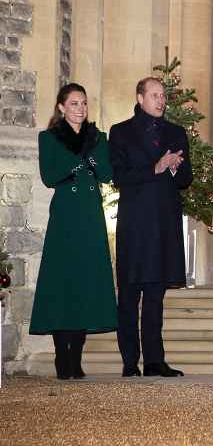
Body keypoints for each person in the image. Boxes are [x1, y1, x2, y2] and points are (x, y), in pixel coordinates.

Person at [29, 83, 118, 380]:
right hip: (65, 217)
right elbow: (49, 175)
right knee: (62, 285)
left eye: (84, 103)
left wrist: (90, 160)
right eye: (74, 103)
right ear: (61, 107)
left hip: (91, 217)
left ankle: (76, 358)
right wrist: (79, 162)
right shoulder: (49, 138)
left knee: (84, 284)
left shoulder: (98, 138)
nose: (80, 108)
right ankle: (61, 356)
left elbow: (106, 173)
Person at [109, 77, 192, 378]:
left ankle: (155, 361)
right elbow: (118, 176)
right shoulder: (120, 133)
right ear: (140, 97)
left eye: (163, 96)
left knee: (156, 297)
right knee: (129, 296)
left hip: (163, 225)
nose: (161, 100)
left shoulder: (176, 132)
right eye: (155, 95)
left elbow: (185, 180)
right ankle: (130, 361)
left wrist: (174, 166)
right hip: (134, 225)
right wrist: (154, 167)